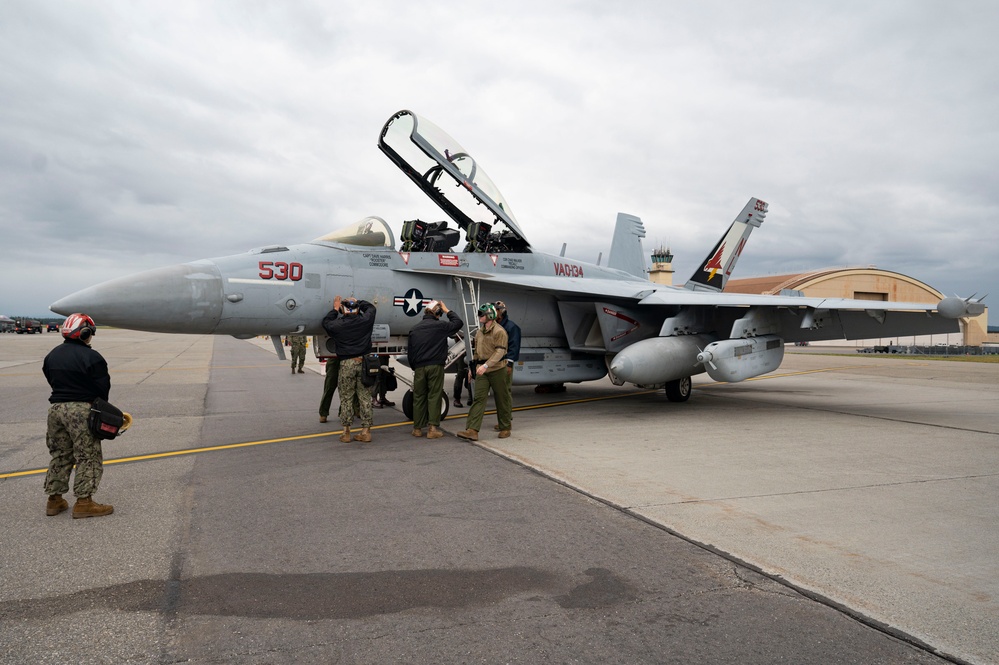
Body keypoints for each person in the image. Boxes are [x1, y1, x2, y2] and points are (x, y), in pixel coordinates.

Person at [41, 313, 114, 519]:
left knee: (61, 454)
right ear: (84, 332)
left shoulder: (52, 355)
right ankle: (84, 503)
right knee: (87, 455)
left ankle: (54, 500)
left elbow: (50, 379)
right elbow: (102, 389)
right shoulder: (93, 357)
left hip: (55, 410)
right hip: (81, 410)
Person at [322, 296, 376, 443]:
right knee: (365, 397)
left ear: (343, 310)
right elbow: (371, 308)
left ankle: (346, 432)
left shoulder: (338, 325)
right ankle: (366, 431)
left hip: (346, 364)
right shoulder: (365, 321)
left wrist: (335, 309)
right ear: (357, 309)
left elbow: (326, 322)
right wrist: (358, 301)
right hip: (363, 363)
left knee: (346, 398)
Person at [407, 300, 463, 438]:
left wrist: (416, 367)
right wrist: (446, 309)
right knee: (434, 396)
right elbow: (458, 323)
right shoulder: (441, 326)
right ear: (437, 312)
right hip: (435, 366)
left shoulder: (414, 329)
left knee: (419, 397)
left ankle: (417, 429)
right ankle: (432, 429)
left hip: (419, 367)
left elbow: (410, 353)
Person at [457, 303, 511, 442]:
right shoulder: (479, 332)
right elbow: (477, 352)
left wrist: (486, 365)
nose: (480, 317)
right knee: (479, 399)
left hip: (497, 369)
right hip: (482, 370)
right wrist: (472, 368)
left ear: (490, 316)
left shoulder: (500, 332)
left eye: (482, 314)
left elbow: (500, 352)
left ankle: (505, 427)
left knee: (502, 398)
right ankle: (472, 430)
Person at [493, 300, 521, 431]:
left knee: (505, 392)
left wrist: (509, 364)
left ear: (501, 312)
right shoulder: (493, 326)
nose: (494, 312)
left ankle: (506, 421)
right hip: (494, 363)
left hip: (504, 363)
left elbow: (514, 347)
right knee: (498, 393)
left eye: (496, 310)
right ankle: (502, 420)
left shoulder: (511, 327)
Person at [318, 357, 340, 423]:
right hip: (334, 360)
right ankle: (323, 413)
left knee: (347, 390)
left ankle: (345, 412)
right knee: (329, 388)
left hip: (347, 359)